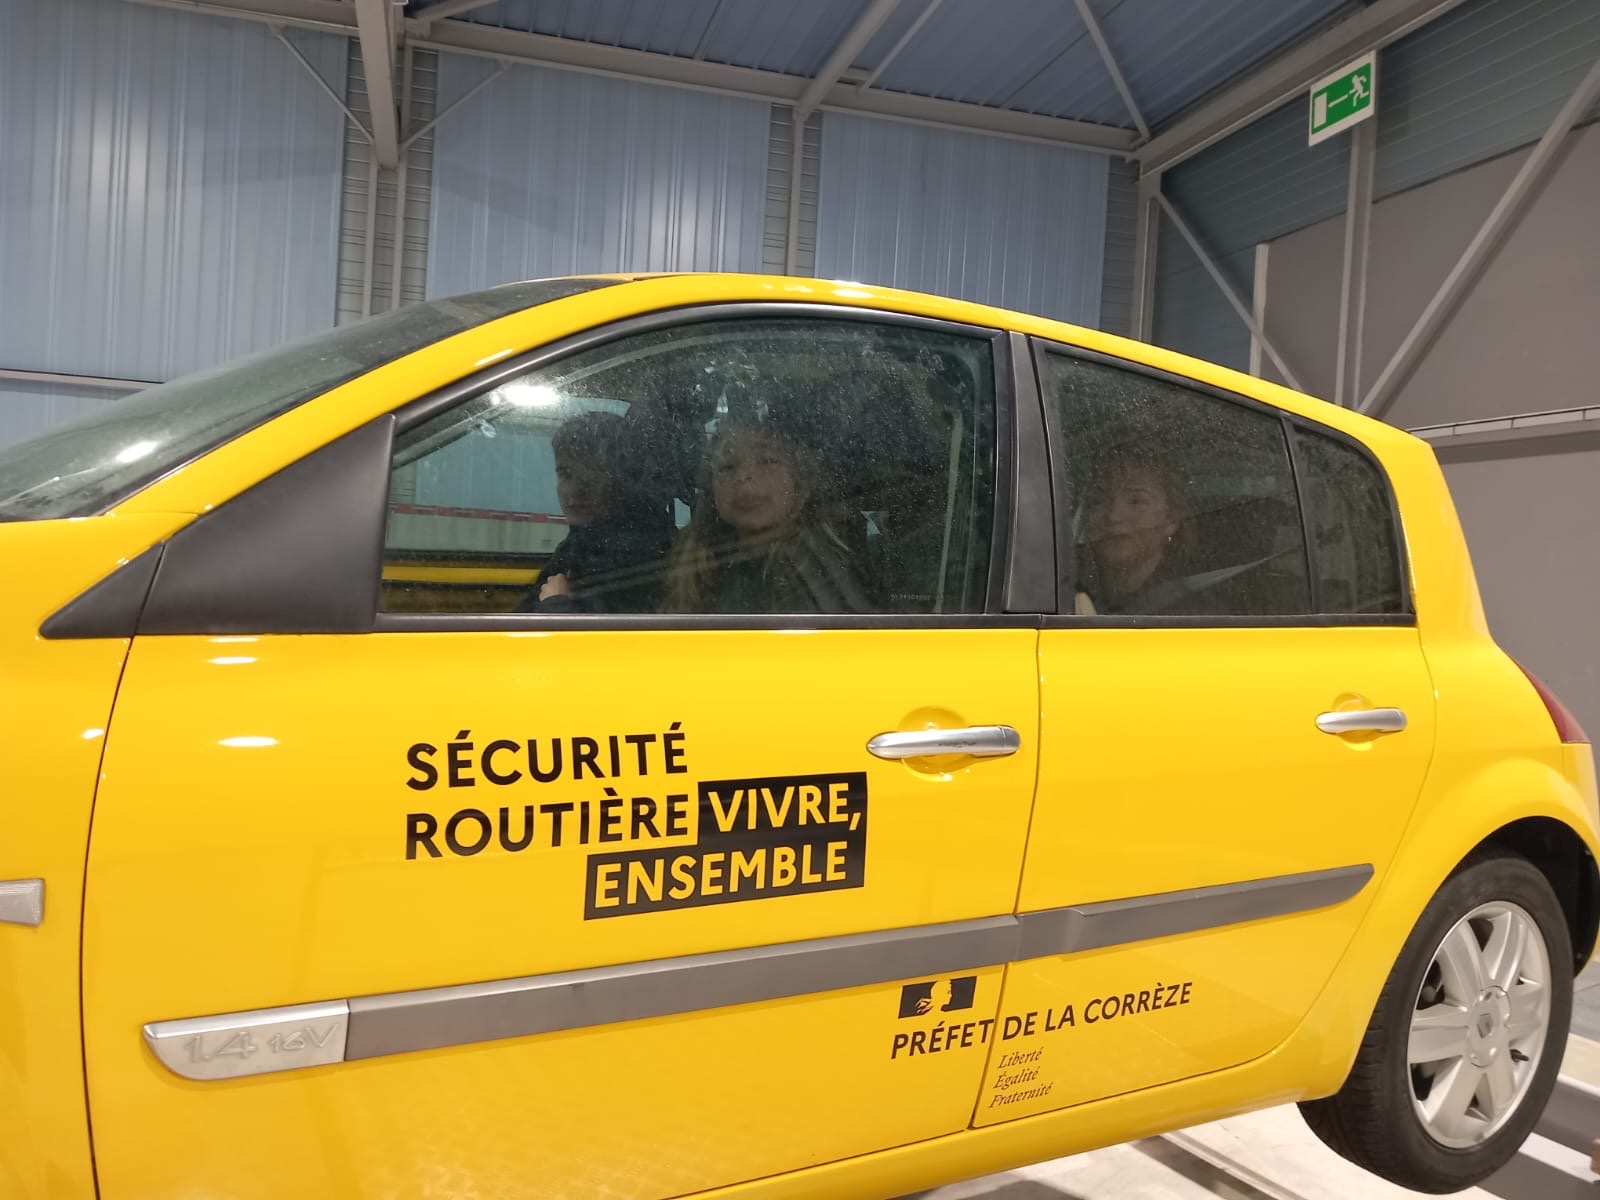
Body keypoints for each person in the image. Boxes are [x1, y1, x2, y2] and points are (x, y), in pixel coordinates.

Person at [663, 411, 872, 615]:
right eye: (727, 466)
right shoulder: (695, 565)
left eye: (767, 460)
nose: (743, 476)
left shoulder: (815, 566)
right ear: (711, 488)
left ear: (798, 477)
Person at [519, 411, 673, 613]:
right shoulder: (580, 543)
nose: (575, 489)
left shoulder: (639, 555)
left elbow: (612, 633)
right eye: (566, 474)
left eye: (592, 474)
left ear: (622, 480)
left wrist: (556, 606)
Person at [1078, 448, 1192, 615]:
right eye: (1098, 500)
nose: (1113, 516)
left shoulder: (1192, 611)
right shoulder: (1062, 589)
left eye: (1136, 501)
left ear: (1171, 520)